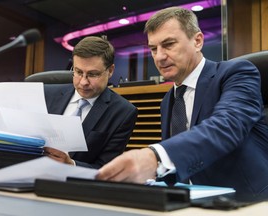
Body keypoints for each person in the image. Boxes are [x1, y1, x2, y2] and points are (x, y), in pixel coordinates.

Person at [96, 7, 268, 197]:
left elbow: (228, 125)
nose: (159, 57)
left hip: (246, 201)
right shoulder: (168, 100)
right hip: (192, 202)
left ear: (197, 41)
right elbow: (181, 164)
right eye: (153, 49)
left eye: (168, 44)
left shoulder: (237, 73)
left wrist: (155, 157)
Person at [0, 36, 138, 169]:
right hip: (24, 171)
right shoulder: (45, 93)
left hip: (73, 188)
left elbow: (106, 168)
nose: (83, 82)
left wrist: (72, 164)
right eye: (78, 72)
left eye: (93, 74)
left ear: (110, 71)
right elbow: (17, 135)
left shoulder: (123, 112)